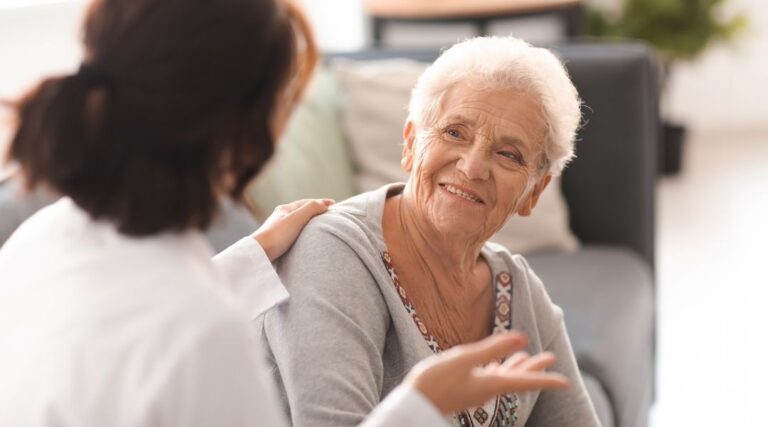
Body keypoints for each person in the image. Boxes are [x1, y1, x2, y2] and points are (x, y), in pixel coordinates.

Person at [0, 1, 570, 426]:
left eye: (507, 154)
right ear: (251, 127)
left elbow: (126, 332)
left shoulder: (41, 240)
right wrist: (422, 407)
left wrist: (249, 259)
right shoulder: (205, 330)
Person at [260, 36, 603, 427]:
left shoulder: (519, 290)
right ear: (410, 143)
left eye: (509, 154)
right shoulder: (331, 253)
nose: (473, 167)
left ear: (534, 193)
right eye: (455, 132)